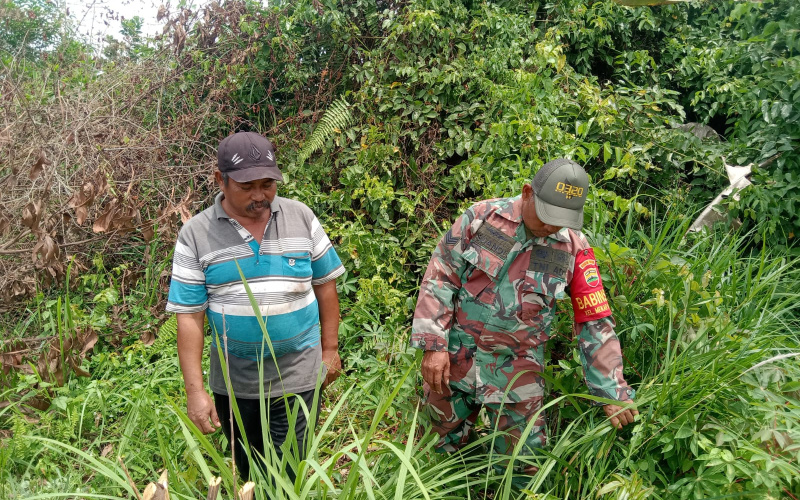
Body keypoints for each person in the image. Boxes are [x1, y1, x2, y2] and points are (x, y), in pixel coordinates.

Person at [410, 158, 638, 473]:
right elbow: (440, 276)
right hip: (455, 362)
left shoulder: (574, 248)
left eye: (562, 219)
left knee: (522, 468)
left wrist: (612, 390)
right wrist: (433, 345)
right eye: (547, 216)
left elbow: (594, 321)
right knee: (432, 454)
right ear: (528, 192)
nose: (552, 227)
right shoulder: (481, 218)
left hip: (518, 375)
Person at [166, 131, 345, 480]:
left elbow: (326, 285)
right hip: (235, 382)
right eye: (247, 186)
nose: (260, 195)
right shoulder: (195, 234)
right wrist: (196, 392)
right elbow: (189, 318)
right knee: (247, 471)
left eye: (267, 184)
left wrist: (330, 348)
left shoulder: (301, 217)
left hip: (299, 372)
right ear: (220, 179)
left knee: (290, 470)